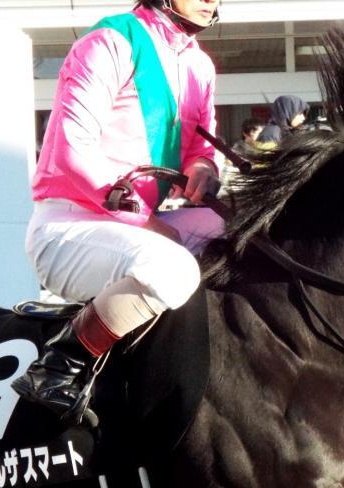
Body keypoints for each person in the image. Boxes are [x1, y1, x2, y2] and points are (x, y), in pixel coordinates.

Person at [11, 0, 222, 420]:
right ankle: (59, 364)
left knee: (231, 233)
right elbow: (72, 150)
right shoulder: (111, 40)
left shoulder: (199, 65)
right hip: (68, 227)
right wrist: (146, 221)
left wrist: (203, 167)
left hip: (136, 230)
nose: (210, 0)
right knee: (174, 269)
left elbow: (202, 145)